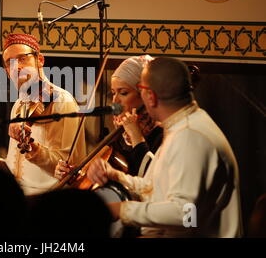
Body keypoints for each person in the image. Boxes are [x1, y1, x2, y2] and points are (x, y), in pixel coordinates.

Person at [87, 57, 242, 237]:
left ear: (150, 96)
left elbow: (186, 215)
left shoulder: (189, 136)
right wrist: (117, 176)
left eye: (141, 89)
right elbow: (156, 186)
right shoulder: (181, 127)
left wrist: (122, 210)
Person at [2, 33, 87, 195]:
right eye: (9, 63)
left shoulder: (62, 101)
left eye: (22, 59)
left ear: (40, 60)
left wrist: (33, 147)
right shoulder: (18, 105)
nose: (16, 67)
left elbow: (68, 165)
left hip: (48, 198)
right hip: (18, 196)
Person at [55, 55, 163, 180]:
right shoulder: (121, 135)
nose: (115, 100)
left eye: (123, 93)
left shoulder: (163, 134)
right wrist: (76, 174)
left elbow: (155, 180)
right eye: (113, 93)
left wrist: (136, 137)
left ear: (144, 95)